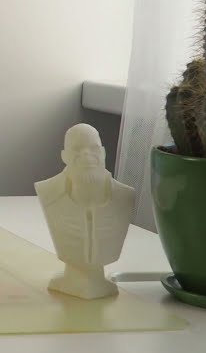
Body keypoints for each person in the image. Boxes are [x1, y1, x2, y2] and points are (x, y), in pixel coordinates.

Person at [35, 124, 136, 298]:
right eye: (77, 149)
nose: (86, 154)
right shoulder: (48, 192)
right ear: (64, 156)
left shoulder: (124, 196)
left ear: (103, 153)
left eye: (94, 148)